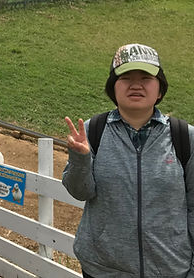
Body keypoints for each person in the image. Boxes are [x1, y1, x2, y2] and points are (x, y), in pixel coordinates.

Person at [63, 43, 194, 277]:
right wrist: (80, 159)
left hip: (170, 270)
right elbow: (79, 192)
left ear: (160, 89)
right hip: (103, 269)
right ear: (113, 88)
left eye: (145, 77)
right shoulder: (94, 130)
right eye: (125, 77)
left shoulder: (185, 137)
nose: (136, 84)